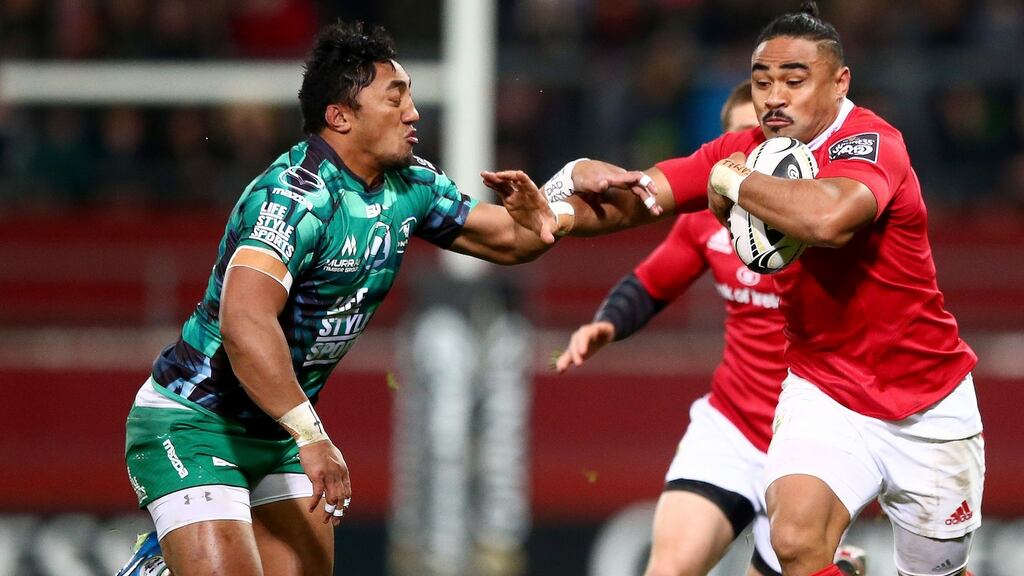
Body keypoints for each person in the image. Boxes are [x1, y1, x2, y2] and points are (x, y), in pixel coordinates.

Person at [117, 21, 649, 576]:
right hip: (196, 421)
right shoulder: (293, 196)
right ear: (340, 116)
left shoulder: (410, 186)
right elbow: (245, 322)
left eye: (412, 96)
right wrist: (311, 435)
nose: (413, 112)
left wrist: (565, 185)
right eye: (395, 98)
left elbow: (517, 236)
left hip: (277, 431)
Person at [484, 2, 984, 576]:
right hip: (824, 389)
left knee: (937, 570)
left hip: (926, 397)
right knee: (794, 539)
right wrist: (558, 211)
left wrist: (736, 180)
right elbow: (645, 195)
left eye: (794, 80)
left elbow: (830, 220)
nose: (774, 96)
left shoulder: (871, 141)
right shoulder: (740, 148)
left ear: (839, 81)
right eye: (762, 81)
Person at [555, 82, 864, 576]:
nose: (750, 155)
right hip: (733, 424)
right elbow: (651, 283)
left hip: (810, 440)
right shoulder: (704, 221)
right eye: (738, 139)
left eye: (760, 137)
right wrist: (606, 325)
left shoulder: (826, 223)